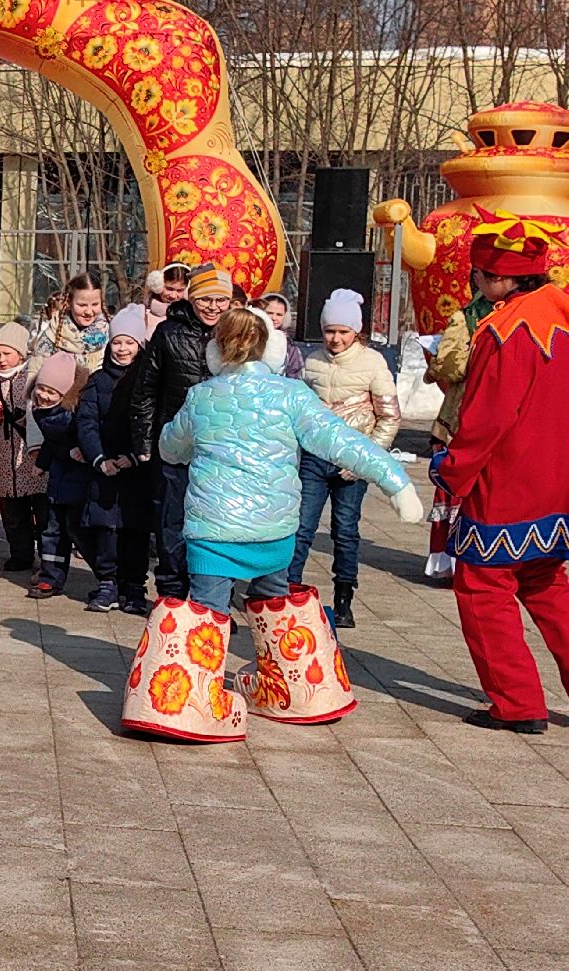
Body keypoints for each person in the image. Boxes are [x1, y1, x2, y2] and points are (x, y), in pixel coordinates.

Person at [121, 308, 418, 743]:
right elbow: (342, 441)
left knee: (208, 611)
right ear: (271, 349)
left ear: (215, 349)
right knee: (276, 606)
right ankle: (298, 689)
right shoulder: (292, 394)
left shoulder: (201, 397)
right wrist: (396, 481)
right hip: (273, 527)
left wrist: (184, 448)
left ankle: (192, 704)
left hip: (213, 528)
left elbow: (170, 445)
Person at [435, 211, 569, 736]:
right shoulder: (562, 314)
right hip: (557, 477)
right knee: (545, 583)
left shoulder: (507, 329)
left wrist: (454, 470)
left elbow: (490, 414)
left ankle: (516, 702)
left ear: (497, 277)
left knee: (483, 585)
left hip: (506, 480)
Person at [288, 288, 401, 627]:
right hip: (314, 458)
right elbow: (299, 410)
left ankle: (344, 596)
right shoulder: (313, 362)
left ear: (356, 332)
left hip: (352, 463)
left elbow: (390, 416)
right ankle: (289, 590)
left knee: (346, 529)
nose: (336, 338)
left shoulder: (372, 363)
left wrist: (365, 458)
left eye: (343, 332)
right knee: (301, 525)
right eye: (330, 331)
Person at [131, 261, 233, 600]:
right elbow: (146, 391)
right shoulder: (168, 333)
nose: (213, 307)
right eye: (206, 299)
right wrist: (144, 441)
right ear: (192, 298)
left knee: (217, 526)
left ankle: (212, 598)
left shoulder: (235, 334)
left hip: (222, 448)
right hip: (174, 444)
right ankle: (172, 595)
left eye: (221, 300)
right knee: (171, 523)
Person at [76, 303, 153, 614]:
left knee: (135, 530)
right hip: (104, 467)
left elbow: (152, 420)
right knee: (105, 529)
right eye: (117, 342)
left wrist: (135, 456)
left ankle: (134, 585)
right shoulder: (97, 381)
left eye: (129, 343)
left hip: (137, 468)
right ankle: (107, 582)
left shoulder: (147, 379)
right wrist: (99, 458)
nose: (122, 349)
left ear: (140, 345)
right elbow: (86, 421)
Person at [425, 285, 494, 581]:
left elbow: (451, 366)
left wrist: (433, 368)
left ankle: (451, 561)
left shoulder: (466, 317)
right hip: (500, 418)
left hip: (461, 417)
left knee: (453, 486)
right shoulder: (525, 316)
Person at [0, 322, 49, 573]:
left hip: (31, 456)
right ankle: (20, 553)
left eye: (7, 353)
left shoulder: (33, 379)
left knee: (42, 511)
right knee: (12, 513)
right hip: (6, 459)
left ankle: (48, 556)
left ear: (21, 353)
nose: (1, 359)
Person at [31, 352, 98, 601]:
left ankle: (108, 577)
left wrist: (78, 451)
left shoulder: (73, 415)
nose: (43, 395)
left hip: (77, 482)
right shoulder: (43, 412)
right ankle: (50, 576)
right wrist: (42, 463)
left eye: (51, 392)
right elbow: (52, 442)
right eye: (41, 388)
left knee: (79, 532)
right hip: (57, 482)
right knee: (51, 530)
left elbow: (78, 440)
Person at [33, 272, 111, 373]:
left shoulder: (112, 335)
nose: (88, 311)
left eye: (95, 304)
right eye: (82, 305)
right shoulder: (51, 336)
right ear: (69, 302)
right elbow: (34, 376)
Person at [256, 292, 307, 378]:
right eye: (269, 313)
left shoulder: (289, 345)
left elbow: (295, 372)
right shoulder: (250, 338)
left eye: (279, 314)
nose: (274, 318)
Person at [143, 262, 190, 337]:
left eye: (179, 290)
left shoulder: (191, 319)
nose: (173, 296)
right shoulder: (141, 314)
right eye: (169, 289)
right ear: (158, 285)